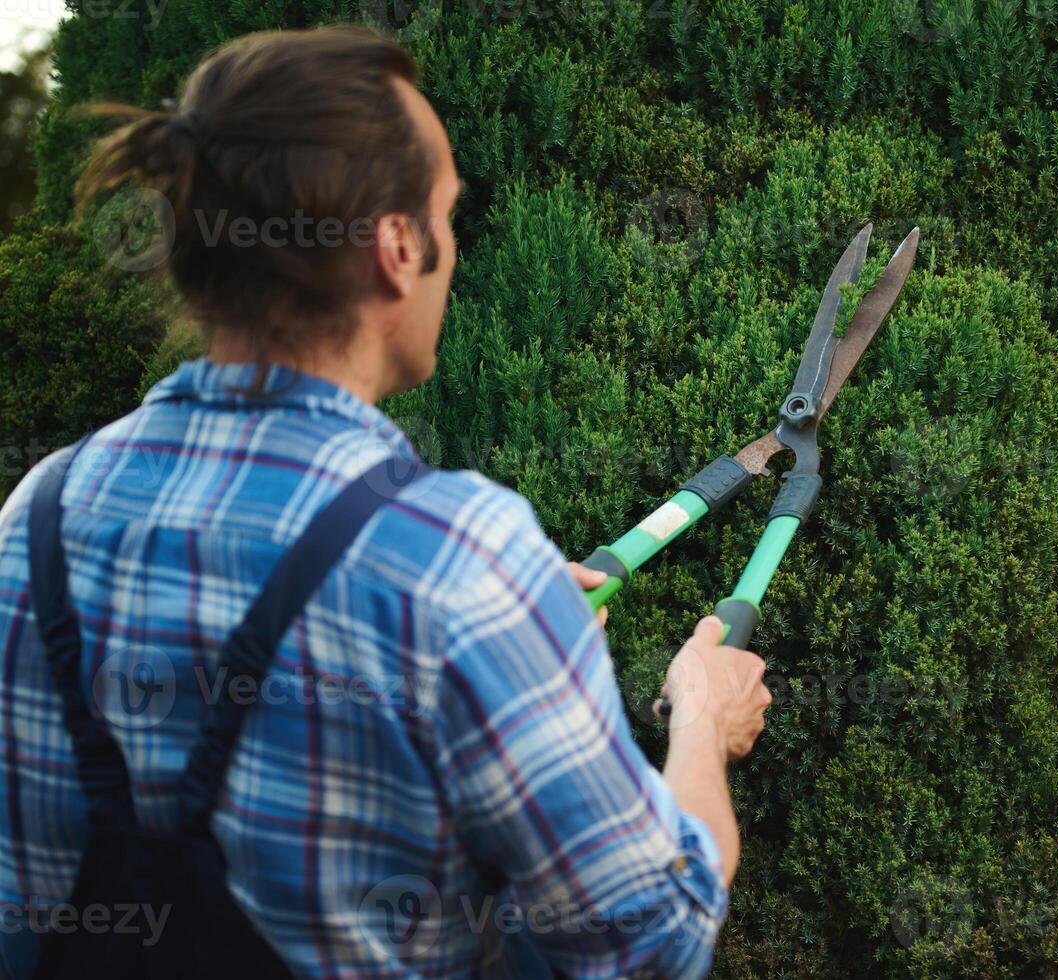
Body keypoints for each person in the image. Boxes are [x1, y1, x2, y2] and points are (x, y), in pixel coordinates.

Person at [0, 24, 770, 979]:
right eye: (449, 215)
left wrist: (504, 634)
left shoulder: (35, 516)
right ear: (397, 248)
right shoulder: (456, 556)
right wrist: (702, 719)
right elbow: (655, 938)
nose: (453, 246)